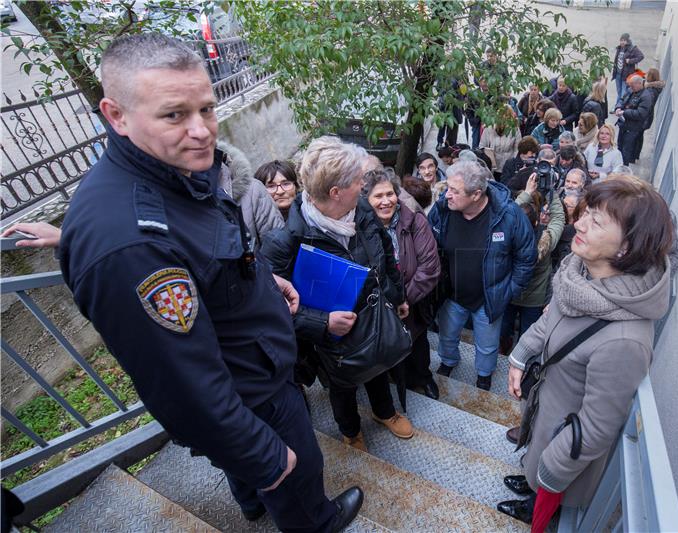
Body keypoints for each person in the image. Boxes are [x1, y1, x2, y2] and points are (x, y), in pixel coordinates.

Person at [57, 34, 362, 531]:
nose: (201, 131)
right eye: (174, 114)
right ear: (116, 115)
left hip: (251, 362)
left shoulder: (172, 170)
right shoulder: (131, 245)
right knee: (298, 476)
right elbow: (178, 383)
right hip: (252, 392)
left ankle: (254, 501)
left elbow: (212, 253)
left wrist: (264, 281)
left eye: (207, 108)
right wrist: (261, 452)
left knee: (262, 480)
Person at [499, 178, 674, 531]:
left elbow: (595, 428)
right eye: (586, 214)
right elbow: (553, 318)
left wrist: (550, 471)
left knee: (546, 478)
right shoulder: (581, 275)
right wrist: (520, 356)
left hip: (562, 438)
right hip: (547, 410)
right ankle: (531, 483)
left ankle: (535, 499)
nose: (578, 223)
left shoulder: (625, 341)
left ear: (626, 247)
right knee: (535, 461)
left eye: (595, 222)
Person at [263, 136, 413, 454]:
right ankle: (350, 429)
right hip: (335, 339)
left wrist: (396, 295)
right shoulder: (284, 243)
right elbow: (273, 307)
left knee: (379, 365)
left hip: (374, 317)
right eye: (359, 180)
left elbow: (385, 252)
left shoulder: (360, 209)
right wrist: (323, 322)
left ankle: (383, 411)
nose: (364, 185)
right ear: (335, 192)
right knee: (343, 385)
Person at [428, 160, 535, 390]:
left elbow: (526, 257)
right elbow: (428, 245)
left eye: (454, 191)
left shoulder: (509, 215)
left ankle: (484, 375)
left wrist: (509, 291)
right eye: (448, 188)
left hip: (489, 299)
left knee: (487, 345)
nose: (447, 195)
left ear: (476, 194)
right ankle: (448, 361)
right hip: (451, 294)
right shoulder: (443, 210)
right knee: (447, 335)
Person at [364, 169, 441, 400]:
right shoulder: (362, 228)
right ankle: (397, 379)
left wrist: (404, 298)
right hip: (380, 307)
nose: (386, 201)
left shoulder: (415, 221)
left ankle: (423, 378)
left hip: (413, 304)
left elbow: (429, 268)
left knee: (417, 346)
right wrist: (389, 302)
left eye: (390, 194)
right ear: (366, 200)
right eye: (378, 196)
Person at [499, 170, 565, 355]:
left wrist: (526, 193)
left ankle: (502, 351)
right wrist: (550, 191)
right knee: (529, 333)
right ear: (537, 223)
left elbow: (505, 214)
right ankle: (522, 359)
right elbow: (559, 218)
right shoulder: (546, 240)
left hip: (509, 292)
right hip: (535, 299)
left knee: (504, 329)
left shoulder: (505, 239)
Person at [614, 75, 654, 165]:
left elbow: (640, 114)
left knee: (626, 150)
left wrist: (624, 112)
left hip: (633, 128)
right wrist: (618, 107)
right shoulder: (631, 90)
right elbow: (622, 99)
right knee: (619, 147)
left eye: (633, 86)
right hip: (623, 125)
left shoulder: (646, 97)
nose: (631, 88)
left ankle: (623, 169)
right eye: (630, 86)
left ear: (639, 84)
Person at [479, 104, 522, 178]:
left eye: (507, 116)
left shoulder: (514, 129)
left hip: (508, 166)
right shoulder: (489, 128)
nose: (504, 118)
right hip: (492, 166)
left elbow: (517, 149)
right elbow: (482, 146)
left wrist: (513, 165)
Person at [635, 68, 666, 161]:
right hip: (647, 117)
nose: (645, 75)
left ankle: (635, 153)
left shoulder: (651, 91)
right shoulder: (654, 88)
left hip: (645, 117)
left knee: (638, 135)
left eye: (647, 74)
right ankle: (636, 153)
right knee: (639, 135)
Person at [611, 33, 644, 107]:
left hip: (626, 75)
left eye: (624, 40)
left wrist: (630, 61)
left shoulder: (632, 48)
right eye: (621, 40)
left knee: (623, 92)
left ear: (628, 41)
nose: (622, 42)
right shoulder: (619, 48)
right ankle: (618, 105)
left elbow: (641, 56)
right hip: (618, 74)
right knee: (619, 91)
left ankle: (619, 106)